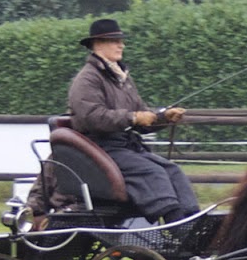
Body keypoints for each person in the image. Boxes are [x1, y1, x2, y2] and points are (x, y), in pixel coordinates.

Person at [65, 18, 200, 223]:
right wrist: (133, 117)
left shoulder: (122, 79)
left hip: (125, 148)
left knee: (172, 170)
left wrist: (163, 117)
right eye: (115, 41)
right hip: (99, 148)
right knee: (153, 172)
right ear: (97, 44)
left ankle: (193, 220)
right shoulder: (87, 79)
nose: (121, 45)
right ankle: (176, 226)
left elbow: (143, 116)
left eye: (121, 41)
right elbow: (93, 117)